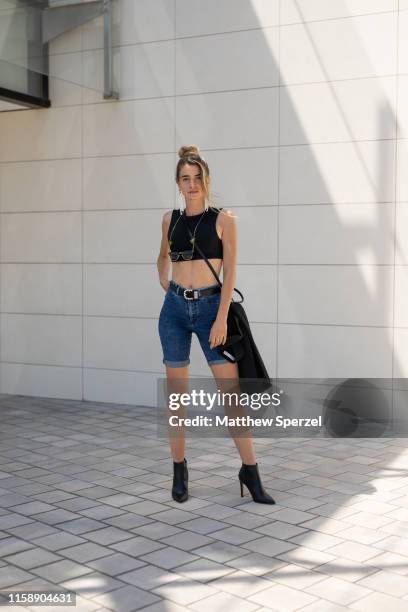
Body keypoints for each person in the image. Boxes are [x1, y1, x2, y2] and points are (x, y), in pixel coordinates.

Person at [157, 144, 274, 505]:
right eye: (185, 179)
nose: (191, 185)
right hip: (174, 311)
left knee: (231, 397)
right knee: (177, 399)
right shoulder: (169, 219)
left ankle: (250, 472)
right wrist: (168, 285)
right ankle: (180, 471)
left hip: (212, 311)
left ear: (206, 180)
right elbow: (162, 258)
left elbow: (231, 272)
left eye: (197, 178)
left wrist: (221, 316)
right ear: (178, 183)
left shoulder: (224, 220)